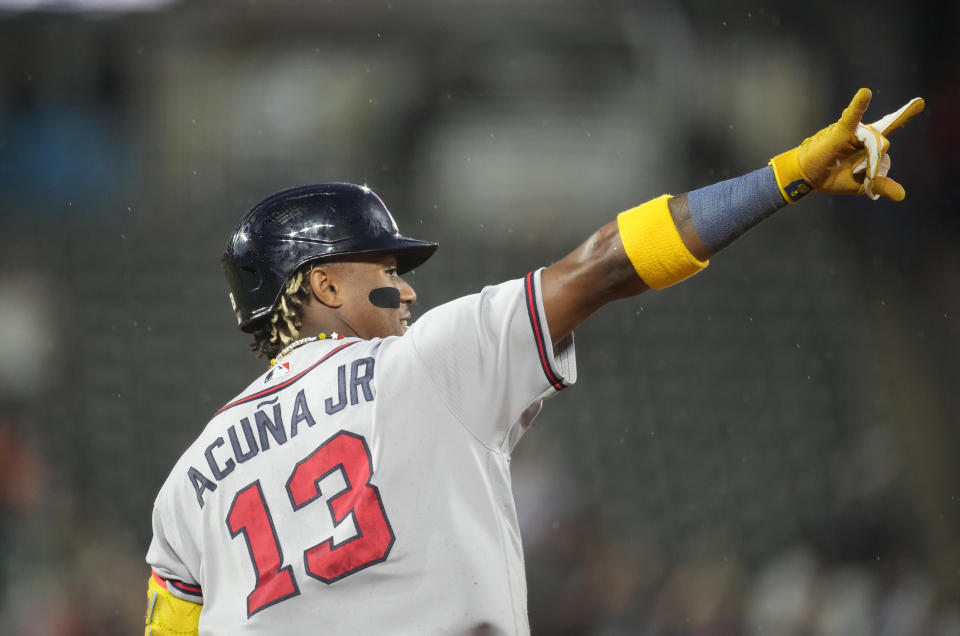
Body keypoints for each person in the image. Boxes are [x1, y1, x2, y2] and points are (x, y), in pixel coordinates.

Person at [144, 88, 923, 635]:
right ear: (323, 282)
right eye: (385, 271)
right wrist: (783, 179)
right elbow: (605, 265)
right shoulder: (422, 366)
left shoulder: (186, 486)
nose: (404, 293)